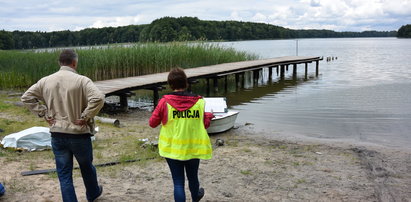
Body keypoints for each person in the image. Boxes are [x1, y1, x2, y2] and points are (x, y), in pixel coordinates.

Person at [21, 49, 105, 202]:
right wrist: (85, 116)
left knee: (64, 174)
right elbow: (98, 98)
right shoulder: (82, 80)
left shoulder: (45, 81)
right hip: (79, 133)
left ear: (60, 63)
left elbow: (26, 97)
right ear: (74, 62)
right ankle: (92, 193)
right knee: (86, 167)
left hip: (57, 133)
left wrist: (43, 113)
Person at [149, 68, 214, 202]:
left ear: (171, 84)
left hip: (172, 149)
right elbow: (205, 124)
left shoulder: (164, 102)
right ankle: (195, 197)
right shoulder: (200, 102)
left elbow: (152, 123)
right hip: (193, 148)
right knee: (193, 177)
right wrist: (209, 116)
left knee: (178, 182)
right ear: (186, 83)